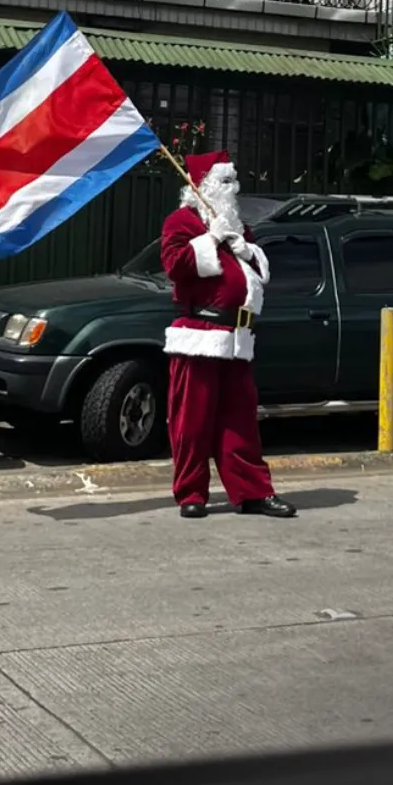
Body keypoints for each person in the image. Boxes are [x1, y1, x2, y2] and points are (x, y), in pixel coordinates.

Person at [158, 151, 294, 521]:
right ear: (200, 186)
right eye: (224, 181)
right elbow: (175, 266)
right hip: (200, 334)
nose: (232, 189)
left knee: (240, 422)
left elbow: (255, 274)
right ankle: (191, 493)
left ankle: (253, 493)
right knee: (192, 422)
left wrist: (246, 250)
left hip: (237, 336)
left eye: (233, 181)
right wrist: (211, 239)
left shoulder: (237, 224)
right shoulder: (181, 222)